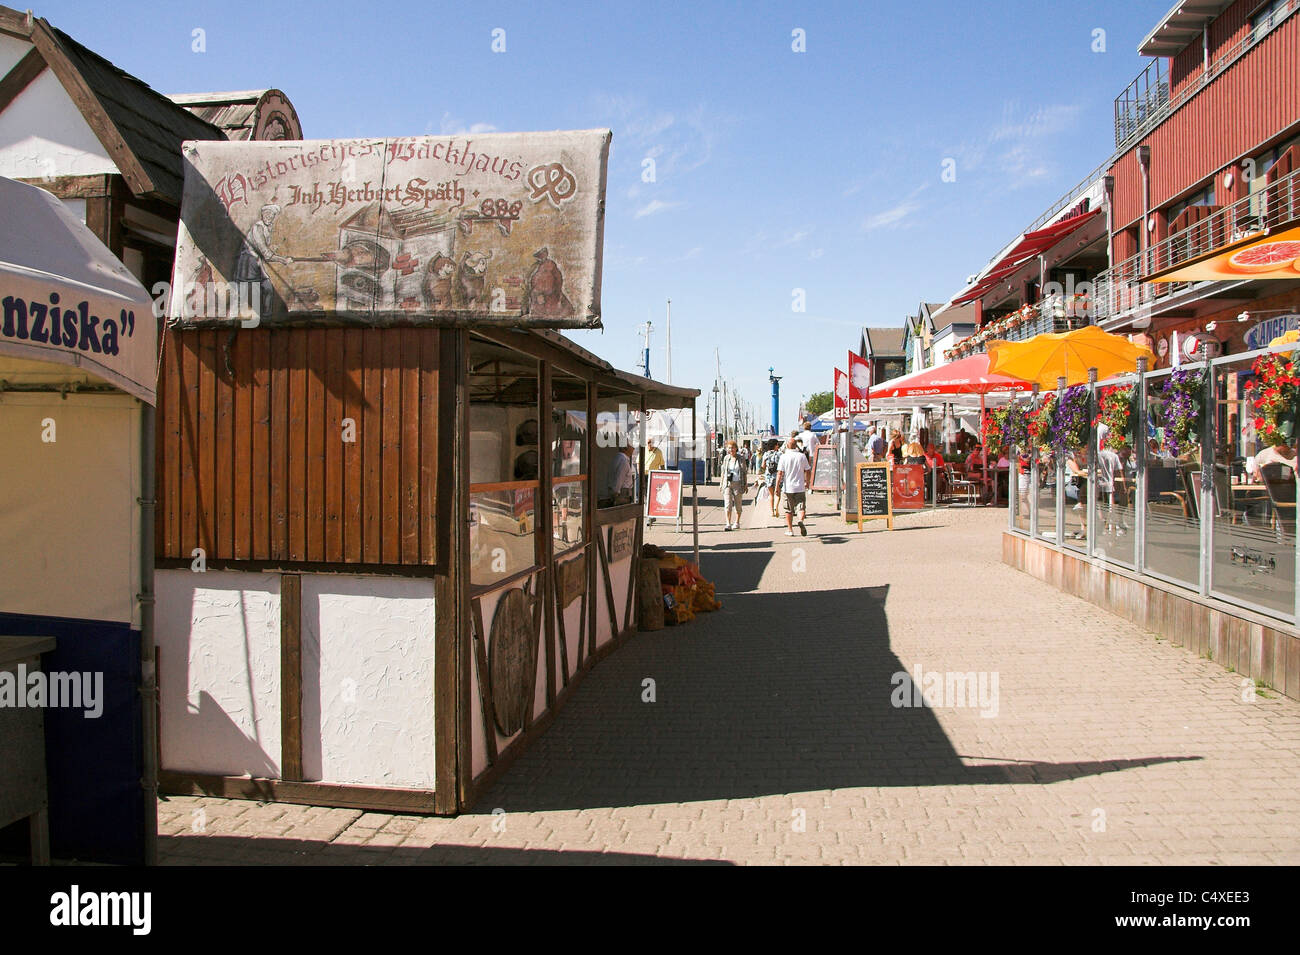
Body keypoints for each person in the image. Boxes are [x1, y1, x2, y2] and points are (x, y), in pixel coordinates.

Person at [776, 436, 812, 537]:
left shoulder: (783, 457)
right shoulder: (802, 456)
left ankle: (790, 529)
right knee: (801, 507)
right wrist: (807, 482)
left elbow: (780, 473)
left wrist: (777, 487)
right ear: (796, 445)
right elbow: (808, 470)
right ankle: (800, 520)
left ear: (787, 445)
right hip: (800, 486)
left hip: (788, 488)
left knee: (788, 509)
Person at [721, 440, 747, 531]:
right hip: (727, 483)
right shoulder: (726, 458)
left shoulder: (741, 458)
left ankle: (737, 522)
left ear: (736, 448)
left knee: (738, 504)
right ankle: (728, 523)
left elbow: (744, 472)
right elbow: (723, 472)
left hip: (738, 483)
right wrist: (721, 484)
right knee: (727, 504)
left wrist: (745, 484)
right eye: (729, 448)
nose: (731, 449)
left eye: (732, 447)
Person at [644, 439, 665, 525]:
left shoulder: (658, 451)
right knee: (645, 497)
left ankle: (650, 516)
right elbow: (638, 462)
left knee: (652, 497)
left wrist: (663, 477)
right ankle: (650, 515)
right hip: (644, 476)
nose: (649, 445)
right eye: (648, 443)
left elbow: (662, 465)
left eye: (650, 443)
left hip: (654, 477)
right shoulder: (644, 450)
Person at [760, 439, 782, 516]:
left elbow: (763, 466)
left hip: (768, 476)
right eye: (777, 444)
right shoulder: (779, 454)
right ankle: (776, 507)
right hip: (777, 476)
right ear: (775, 445)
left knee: (771, 495)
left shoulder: (766, 454)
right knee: (778, 493)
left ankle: (772, 511)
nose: (778, 446)